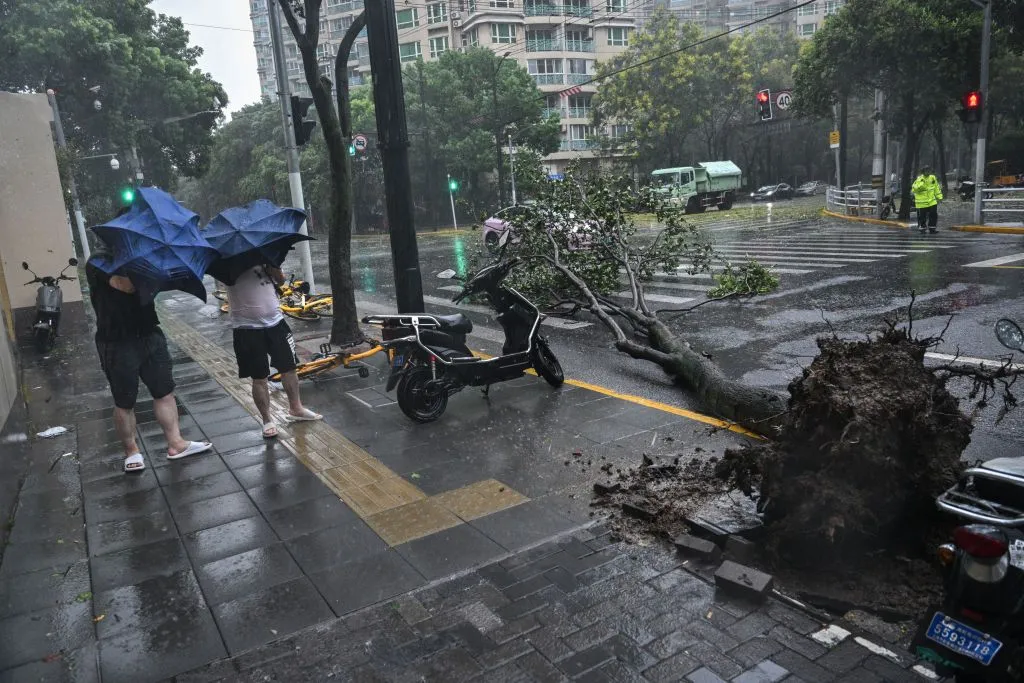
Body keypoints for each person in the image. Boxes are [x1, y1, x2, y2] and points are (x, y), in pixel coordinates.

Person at [87, 246, 212, 473]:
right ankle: (132, 451)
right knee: (125, 401)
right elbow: (125, 285)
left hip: (149, 334)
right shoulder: (99, 261)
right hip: (116, 342)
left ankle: (176, 443)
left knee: (164, 391)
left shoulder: (144, 259)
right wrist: (153, 270)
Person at [226, 264, 321, 437]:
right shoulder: (227, 262)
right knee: (259, 377)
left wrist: (272, 267)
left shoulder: (266, 254)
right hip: (246, 329)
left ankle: (296, 408)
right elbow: (229, 279)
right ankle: (267, 420)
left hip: (276, 323)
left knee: (289, 368)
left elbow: (281, 280)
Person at [911, 164, 943, 234]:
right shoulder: (919, 179)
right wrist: (922, 184)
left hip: (932, 201)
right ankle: (922, 228)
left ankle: (932, 228)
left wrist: (939, 197)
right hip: (922, 203)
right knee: (922, 216)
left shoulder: (933, 178)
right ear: (923, 171)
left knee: (933, 214)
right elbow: (914, 189)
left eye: (929, 170)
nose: (927, 172)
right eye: (926, 170)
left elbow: (936, 188)